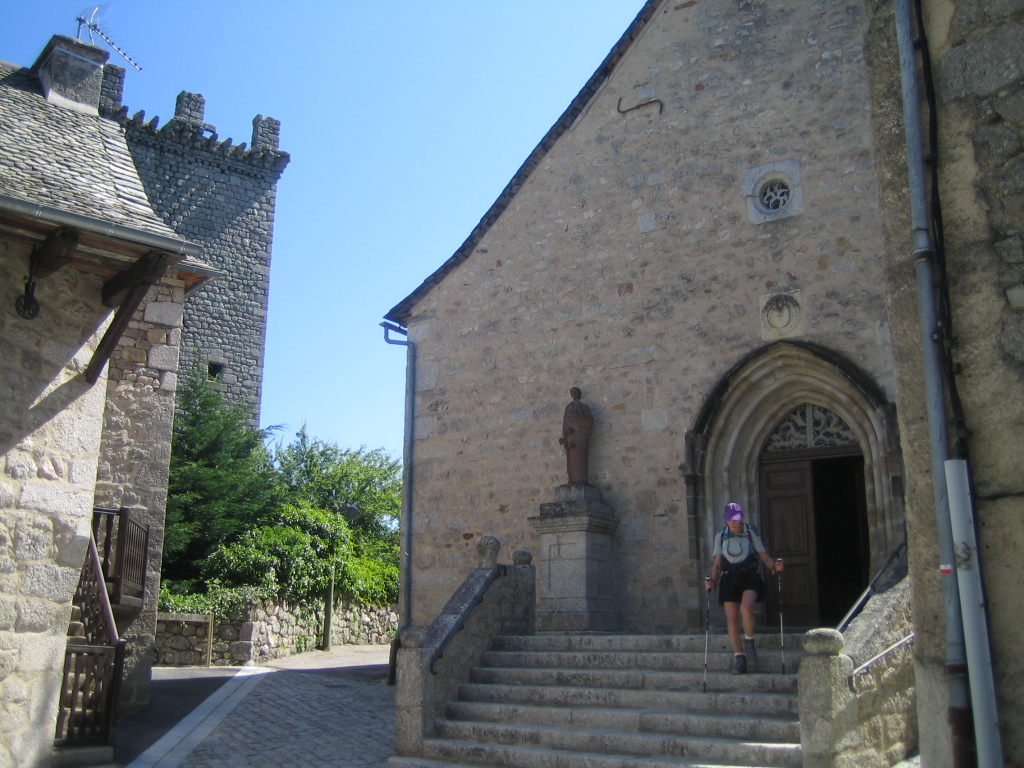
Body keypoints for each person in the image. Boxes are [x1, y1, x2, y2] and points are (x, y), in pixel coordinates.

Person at [705, 502, 783, 675]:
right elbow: (717, 563)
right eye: (729, 519)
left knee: (746, 609)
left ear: (741, 517)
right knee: (732, 620)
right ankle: (739, 658)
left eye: (735, 519)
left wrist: (774, 566)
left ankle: (749, 642)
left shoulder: (750, 532)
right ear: (725, 519)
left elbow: (764, 556)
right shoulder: (721, 536)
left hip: (750, 575)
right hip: (729, 578)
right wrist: (712, 580)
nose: (733, 523)